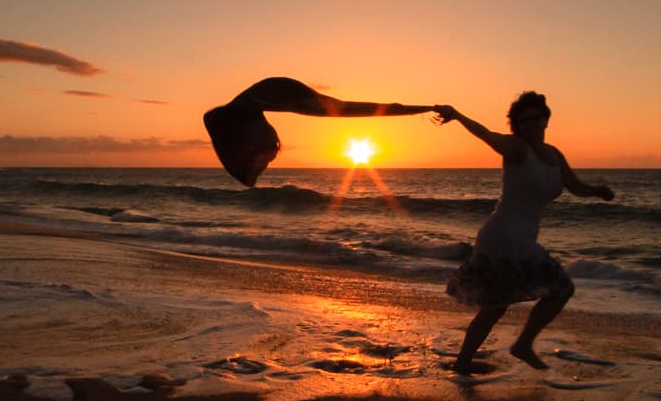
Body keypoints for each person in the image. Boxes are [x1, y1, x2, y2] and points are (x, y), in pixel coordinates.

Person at [434, 92, 614, 373]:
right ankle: (522, 345)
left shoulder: (554, 154)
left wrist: (597, 192)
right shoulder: (516, 148)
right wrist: (456, 115)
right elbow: (485, 134)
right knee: (562, 288)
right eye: (524, 120)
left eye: (536, 118)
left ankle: (464, 362)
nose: (531, 124)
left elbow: (574, 186)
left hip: (514, 236)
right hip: (505, 235)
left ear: (546, 119)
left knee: (496, 305)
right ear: (518, 125)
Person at [204, 77, 437, 186]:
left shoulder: (235, 117)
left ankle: (404, 108)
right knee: (343, 109)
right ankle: (403, 108)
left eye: (264, 161)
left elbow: (352, 110)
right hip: (277, 93)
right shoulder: (232, 117)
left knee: (342, 110)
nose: (267, 163)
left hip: (284, 92)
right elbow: (247, 178)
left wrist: (414, 109)